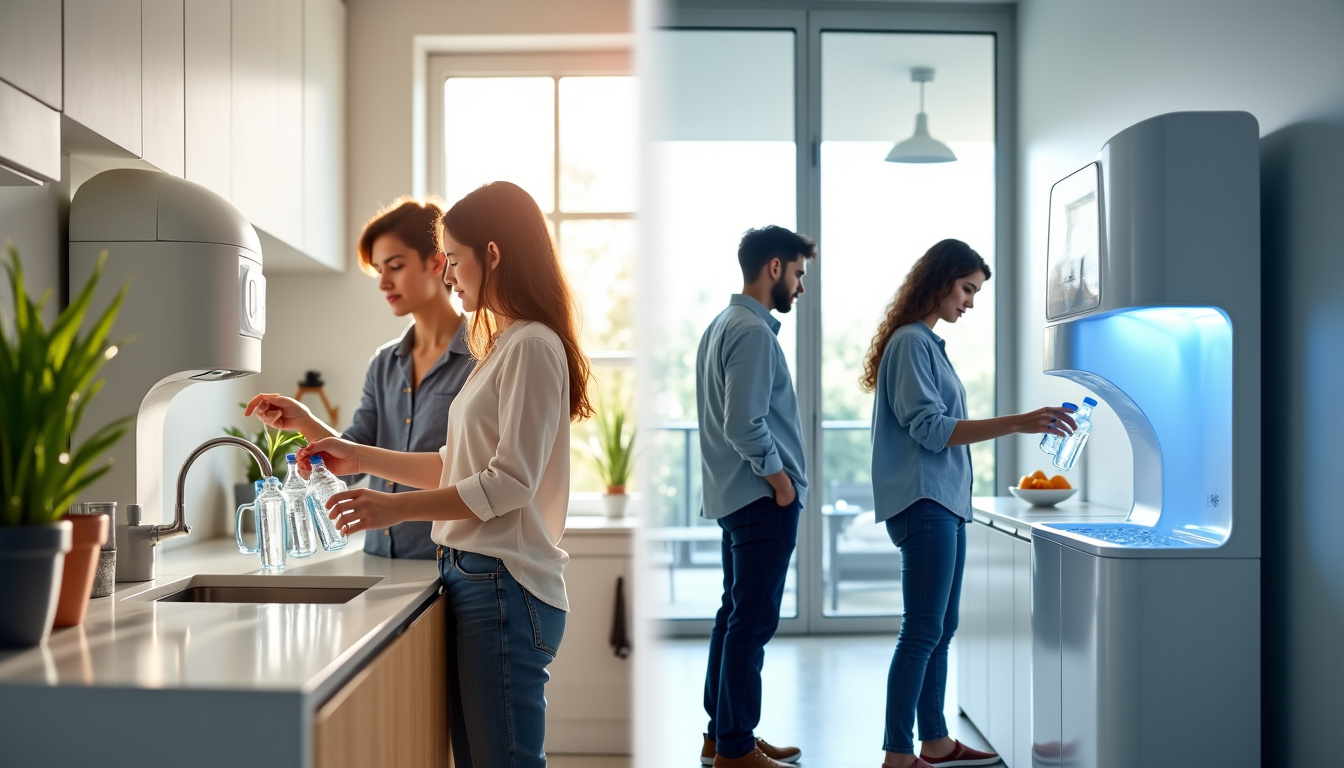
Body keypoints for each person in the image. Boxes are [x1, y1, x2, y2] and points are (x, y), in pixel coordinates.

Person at [297, 181, 591, 767]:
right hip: (473, 578)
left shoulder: (532, 345)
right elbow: (454, 463)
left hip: (501, 584)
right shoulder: (503, 346)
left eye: (454, 260)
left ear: (494, 253)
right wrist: (361, 460)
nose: (450, 274)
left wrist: (392, 507)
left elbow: (508, 484)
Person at [862, 239, 1077, 768]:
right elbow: (933, 432)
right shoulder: (912, 343)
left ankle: (934, 741)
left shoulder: (928, 345)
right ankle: (896, 753)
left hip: (945, 503)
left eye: (975, 292)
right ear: (939, 282)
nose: (971, 302)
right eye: (967, 289)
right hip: (925, 503)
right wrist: (1019, 422)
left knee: (941, 627)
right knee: (922, 629)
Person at [246, 197, 473, 560]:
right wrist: (304, 420)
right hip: (379, 555)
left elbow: (473, 473)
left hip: (449, 560)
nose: (384, 282)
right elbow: (349, 466)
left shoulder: (481, 359)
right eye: (379, 269)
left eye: (395, 266)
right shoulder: (384, 363)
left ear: (437, 261)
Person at [696, 225, 816, 768]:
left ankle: (723, 735)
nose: (799, 286)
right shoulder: (751, 332)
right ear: (773, 268)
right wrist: (782, 482)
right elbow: (743, 423)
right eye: (798, 274)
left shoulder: (722, 325)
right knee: (752, 621)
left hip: (736, 499)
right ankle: (737, 750)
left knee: (734, 616)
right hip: (760, 500)